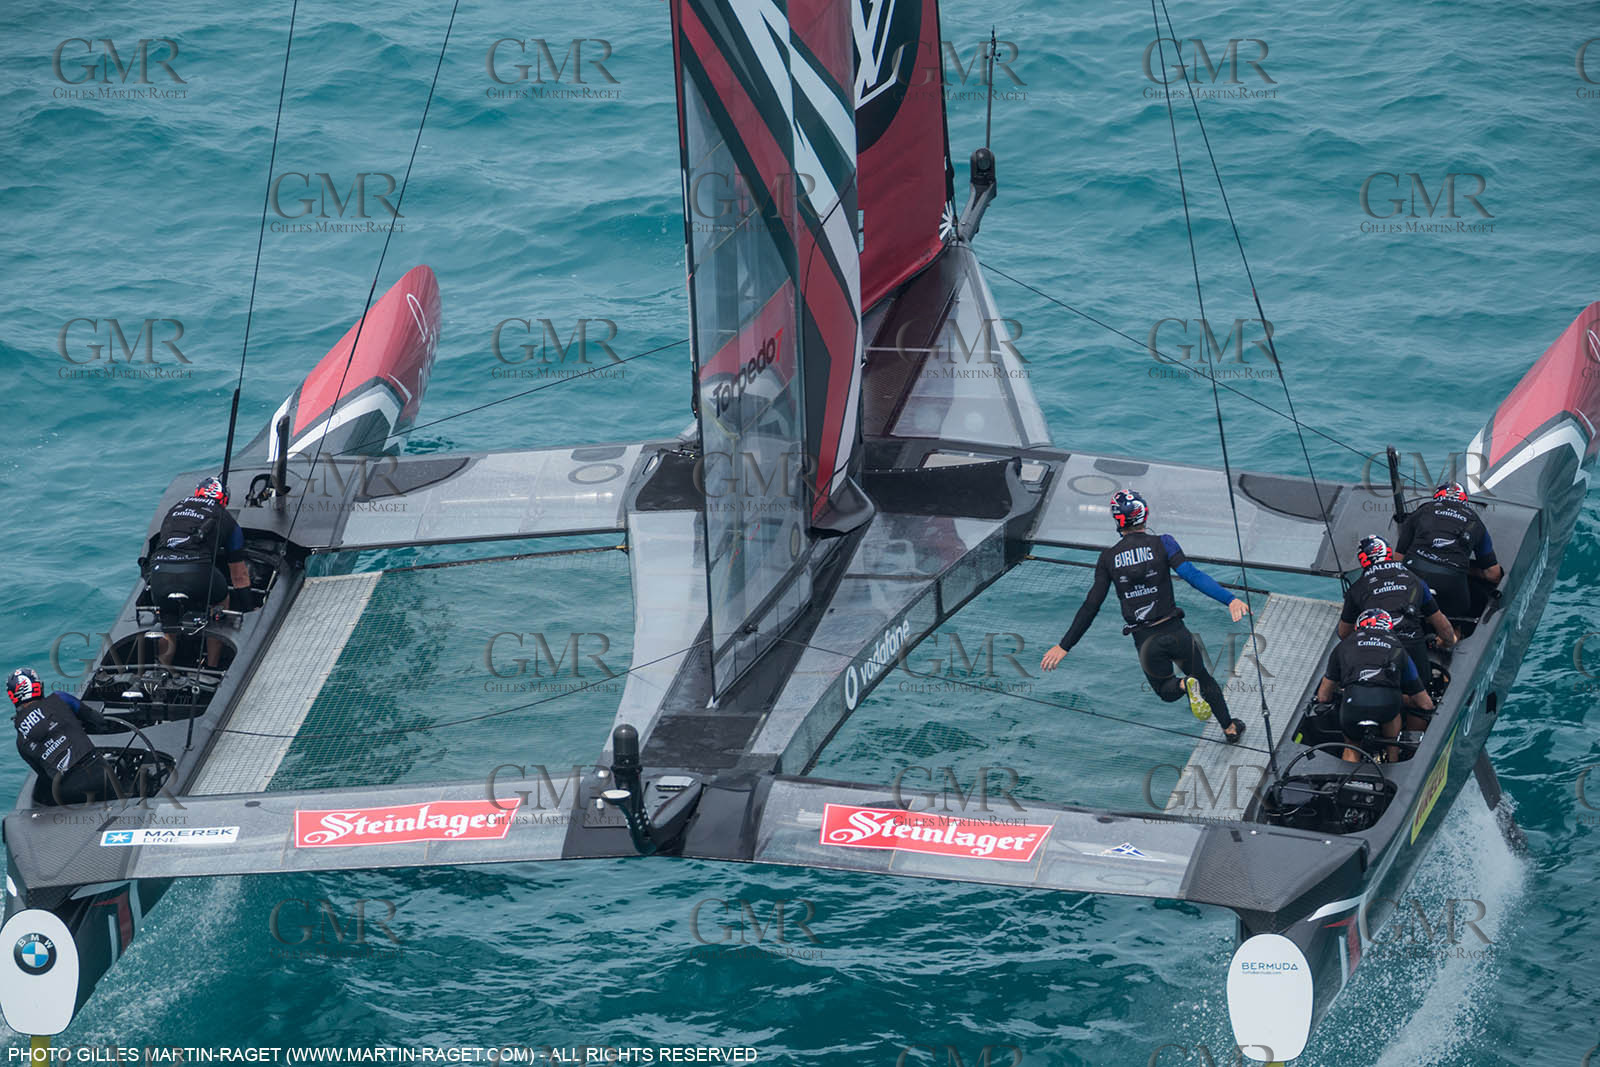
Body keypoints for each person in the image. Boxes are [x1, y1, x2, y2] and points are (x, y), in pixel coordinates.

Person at [1040, 490, 1252, 743]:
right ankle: (1229, 728)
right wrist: (1230, 599)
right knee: (1205, 679)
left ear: (1117, 520)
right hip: (1176, 631)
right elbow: (1193, 576)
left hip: (1146, 640)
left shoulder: (1108, 558)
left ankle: (1185, 686)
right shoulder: (1164, 543)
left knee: (1166, 690)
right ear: (1145, 514)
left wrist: (1065, 645)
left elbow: (1091, 605)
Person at [146, 477, 254, 666]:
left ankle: (162, 668)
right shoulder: (226, 518)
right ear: (224, 500)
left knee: (169, 619)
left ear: (197, 494)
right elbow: (239, 576)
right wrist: (249, 610)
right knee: (220, 600)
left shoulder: (174, 509)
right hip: (197, 575)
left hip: (160, 575)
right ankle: (212, 665)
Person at [1339, 534, 1456, 693]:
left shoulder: (1357, 588)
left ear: (1363, 560)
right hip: (1412, 644)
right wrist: (1448, 642)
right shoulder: (1415, 580)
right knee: (1423, 691)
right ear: (1388, 552)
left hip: (1376, 648)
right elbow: (1440, 623)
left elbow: (1344, 633)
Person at [1314, 609, 1435, 763]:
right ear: (1388, 627)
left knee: (1352, 746)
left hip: (1354, 705)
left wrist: (1330, 699)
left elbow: (1323, 695)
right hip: (1387, 705)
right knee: (1393, 713)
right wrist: (1429, 708)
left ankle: (1348, 776)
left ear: (1358, 626)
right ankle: (1393, 757)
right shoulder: (1398, 648)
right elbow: (1423, 700)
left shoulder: (1343, 646)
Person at [9, 668, 119, 805]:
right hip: (97, 773)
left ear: (13, 696)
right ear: (37, 686)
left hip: (68, 790)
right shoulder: (60, 698)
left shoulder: (20, 742)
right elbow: (98, 721)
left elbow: (44, 776)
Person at [1394, 482, 1501, 620]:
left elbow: (1397, 560)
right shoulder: (1476, 522)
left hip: (1413, 577)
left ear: (1436, 498)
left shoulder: (1422, 511)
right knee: (1472, 602)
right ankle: (1455, 633)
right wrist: (1468, 569)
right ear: (1464, 501)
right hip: (1451, 584)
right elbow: (1493, 575)